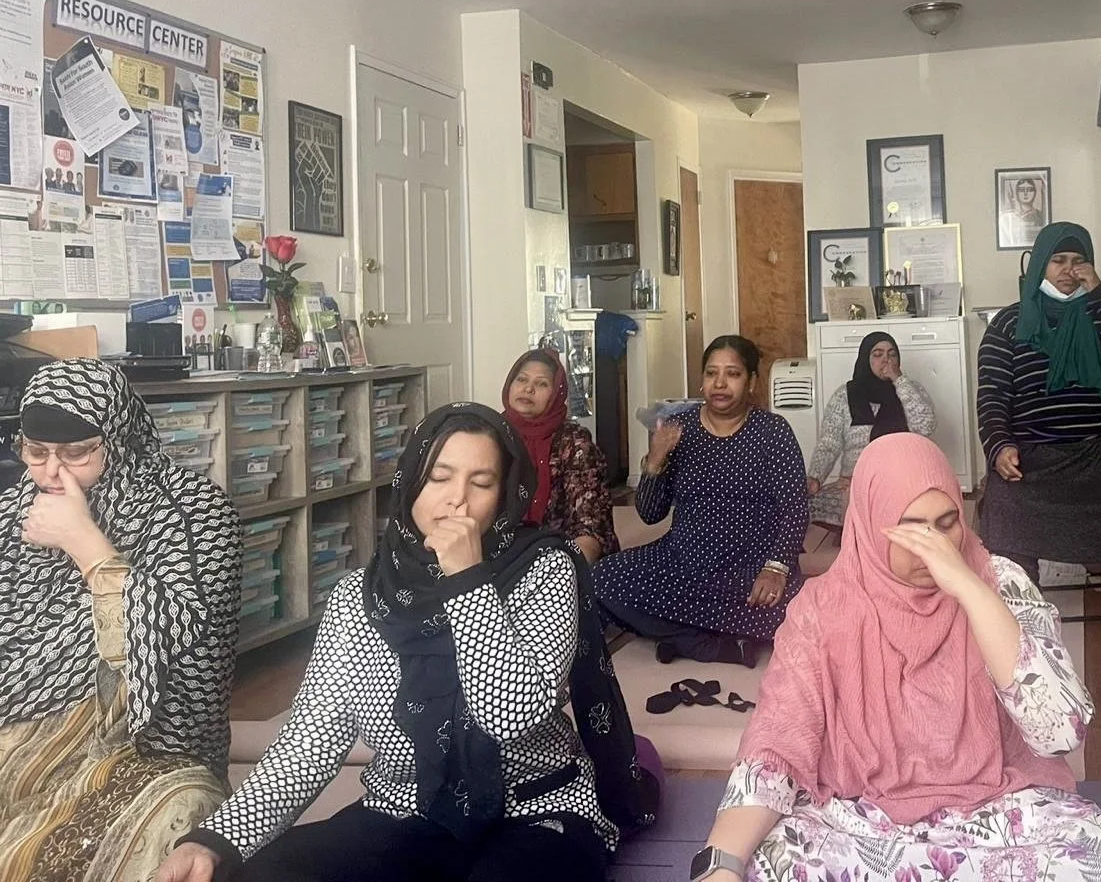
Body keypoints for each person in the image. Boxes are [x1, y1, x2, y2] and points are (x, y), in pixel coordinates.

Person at [158, 402, 650, 882]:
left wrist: (467, 580)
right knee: (265, 873)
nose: (457, 500)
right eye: (439, 477)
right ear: (410, 482)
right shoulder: (359, 598)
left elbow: (510, 716)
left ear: (505, 496)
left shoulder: (544, 570)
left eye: (481, 483)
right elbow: (310, 741)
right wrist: (216, 840)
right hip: (404, 810)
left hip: (537, 810)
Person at [695, 434, 1101, 882]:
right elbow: (777, 742)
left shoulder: (1001, 582)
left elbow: (1060, 732)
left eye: (946, 523)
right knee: (770, 860)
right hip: (865, 820)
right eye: (911, 528)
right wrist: (721, 863)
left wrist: (970, 589)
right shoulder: (822, 608)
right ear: (870, 524)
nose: (935, 547)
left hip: (999, 810)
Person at [0, 358, 242, 881]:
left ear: (119, 440)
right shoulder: (14, 511)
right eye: (35, 451)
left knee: (157, 821)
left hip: (148, 743)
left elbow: (178, 647)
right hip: (20, 727)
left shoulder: (196, 512)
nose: (51, 472)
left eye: (76, 453)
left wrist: (86, 545)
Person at [976, 221, 1101, 653]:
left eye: (1079, 261)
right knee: (1004, 506)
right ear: (1039, 265)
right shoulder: (1008, 324)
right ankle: (1025, 621)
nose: (1069, 270)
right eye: (1059, 261)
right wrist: (999, 446)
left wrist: (1099, 293)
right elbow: (992, 395)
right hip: (1037, 455)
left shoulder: (1100, 311)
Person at [593, 335, 808, 667]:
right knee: (602, 579)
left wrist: (776, 568)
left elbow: (795, 509)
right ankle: (703, 643)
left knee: (797, 610)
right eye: (711, 373)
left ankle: (681, 631)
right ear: (702, 379)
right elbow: (650, 514)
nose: (719, 384)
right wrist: (655, 460)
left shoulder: (773, 431)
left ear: (752, 381)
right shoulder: (680, 430)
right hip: (683, 561)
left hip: (750, 567)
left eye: (732, 374)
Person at [806, 331, 937, 527]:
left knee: (915, 504)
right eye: (877, 354)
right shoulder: (845, 395)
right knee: (811, 504)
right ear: (865, 359)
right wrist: (815, 476)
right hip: (856, 481)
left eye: (892, 354)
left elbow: (925, 426)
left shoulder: (911, 389)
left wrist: (899, 380)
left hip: (901, 479)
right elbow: (829, 443)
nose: (886, 360)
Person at [501, 348, 618, 562]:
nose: (528, 389)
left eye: (541, 384)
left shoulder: (575, 443)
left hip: (559, 555)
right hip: (500, 553)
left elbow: (589, 526)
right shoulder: (492, 435)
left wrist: (563, 573)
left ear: (557, 393)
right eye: (522, 379)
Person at [1001, 175, 1048, 247]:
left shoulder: (1040, 215)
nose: (1025, 193)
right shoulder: (1009, 218)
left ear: (1034, 193)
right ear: (1017, 193)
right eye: (1021, 190)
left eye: (1029, 190)